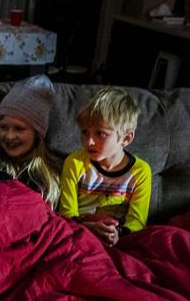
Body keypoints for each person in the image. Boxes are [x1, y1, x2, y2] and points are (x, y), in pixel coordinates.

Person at [58, 86, 152, 246]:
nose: (89, 142)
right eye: (85, 132)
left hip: (117, 239)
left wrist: (118, 234)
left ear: (126, 138)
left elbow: (137, 222)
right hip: (80, 233)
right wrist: (86, 227)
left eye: (100, 134)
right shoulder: (74, 163)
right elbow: (67, 213)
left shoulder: (140, 172)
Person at [0, 74, 62, 208]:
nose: (9, 136)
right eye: (4, 127)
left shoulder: (50, 175)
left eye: (19, 129)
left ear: (37, 134)